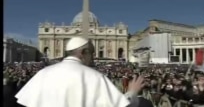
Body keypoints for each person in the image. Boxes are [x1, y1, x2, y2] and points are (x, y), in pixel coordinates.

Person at [15, 37, 145, 107]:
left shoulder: (42, 74)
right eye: (92, 53)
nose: (93, 58)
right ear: (84, 53)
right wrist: (132, 92)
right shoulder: (96, 77)